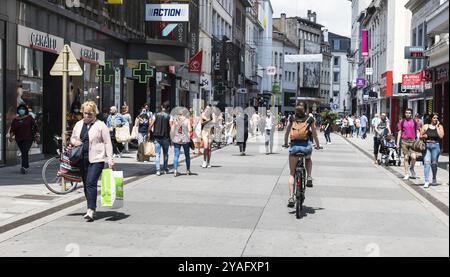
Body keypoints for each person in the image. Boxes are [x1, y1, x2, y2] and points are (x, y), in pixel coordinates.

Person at [71, 101, 114, 222]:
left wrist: (110, 159)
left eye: (90, 114)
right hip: (81, 158)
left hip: (97, 158)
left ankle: (90, 209)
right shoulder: (78, 124)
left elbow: (107, 142)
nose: (87, 116)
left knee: (91, 182)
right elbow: (73, 138)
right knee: (86, 184)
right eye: (85, 113)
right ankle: (91, 207)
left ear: (95, 113)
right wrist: (75, 142)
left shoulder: (101, 125)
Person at [283, 103, 321, 208]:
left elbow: (286, 132)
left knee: (291, 173)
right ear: (305, 109)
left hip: (294, 147)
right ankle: (309, 176)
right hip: (306, 147)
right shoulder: (310, 119)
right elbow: (314, 134)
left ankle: (291, 197)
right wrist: (318, 145)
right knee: (308, 159)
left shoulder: (292, 118)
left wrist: (286, 143)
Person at [8, 104, 40, 174]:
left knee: (25, 151)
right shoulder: (15, 120)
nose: (21, 110)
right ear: (18, 111)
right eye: (20, 109)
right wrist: (10, 137)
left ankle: (24, 167)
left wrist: (37, 135)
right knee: (23, 152)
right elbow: (12, 129)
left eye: (22, 109)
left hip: (29, 138)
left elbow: (35, 126)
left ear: (25, 110)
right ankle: (25, 166)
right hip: (19, 139)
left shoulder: (29, 118)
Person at [420, 113, 445, 188]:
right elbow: (420, 136)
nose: (436, 119)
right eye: (434, 118)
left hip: (436, 146)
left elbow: (441, 136)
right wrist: (424, 136)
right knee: (427, 162)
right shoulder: (426, 126)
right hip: (427, 146)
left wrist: (437, 127)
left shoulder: (440, 126)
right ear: (431, 118)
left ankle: (434, 177)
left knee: (434, 163)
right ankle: (426, 181)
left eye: (437, 118)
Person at [396, 108, 421, 180]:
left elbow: (417, 131)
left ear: (411, 114)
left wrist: (418, 140)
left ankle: (412, 168)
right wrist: (397, 143)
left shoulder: (414, 121)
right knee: (406, 158)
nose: (408, 114)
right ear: (405, 114)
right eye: (407, 113)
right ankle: (406, 173)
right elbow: (400, 132)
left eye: (409, 113)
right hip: (404, 141)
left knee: (414, 157)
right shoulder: (402, 122)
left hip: (413, 141)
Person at [152, 102, 172, 176]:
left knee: (157, 154)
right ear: (168, 108)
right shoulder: (169, 116)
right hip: (165, 137)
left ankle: (158, 170)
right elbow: (171, 127)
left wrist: (149, 132)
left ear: (161, 106)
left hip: (157, 137)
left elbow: (151, 124)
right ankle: (165, 168)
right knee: (166, 154)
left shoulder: (156, 114)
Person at [171, 109, 192, 177]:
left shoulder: (175, 120)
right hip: (185, 139)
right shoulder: (187, 120)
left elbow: (172, 130)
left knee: (176, 155)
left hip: (177, 139)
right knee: (187, 155)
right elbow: (190, 129)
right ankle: (188, 170)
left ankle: (175, 170)